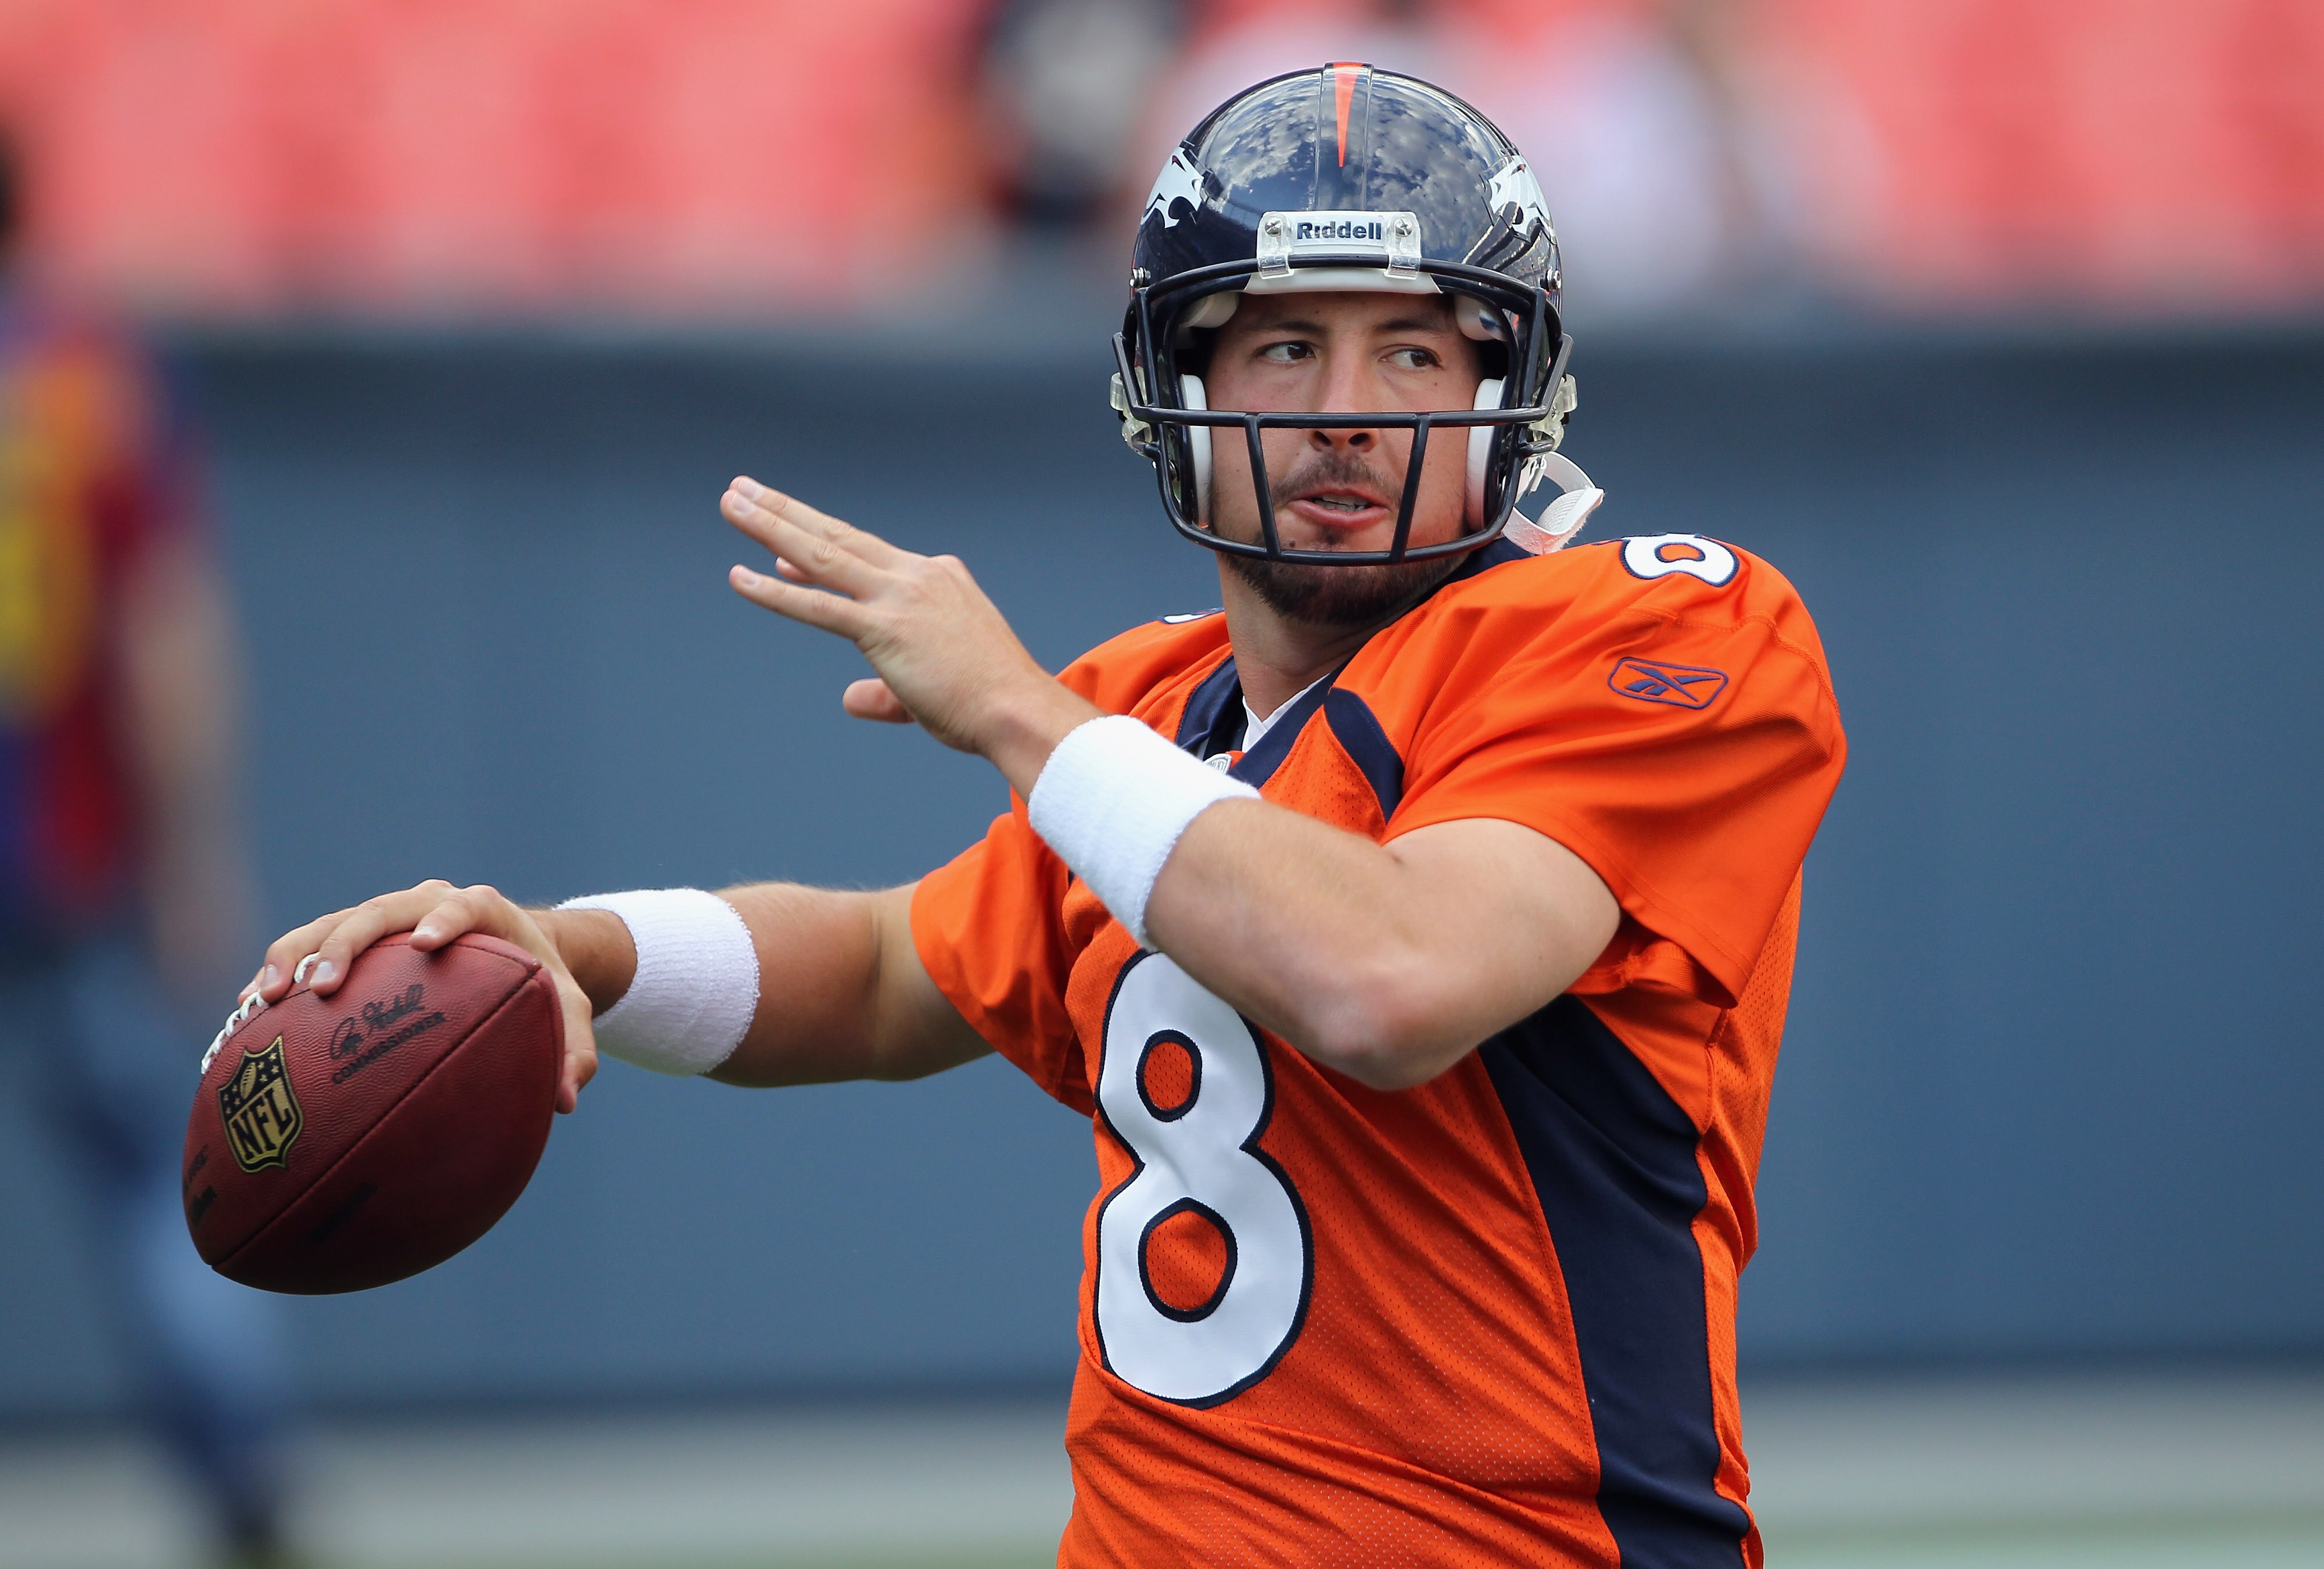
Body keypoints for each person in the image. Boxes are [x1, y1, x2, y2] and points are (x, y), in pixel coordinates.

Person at [246, 65, 1844, 1565]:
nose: (1348, 408)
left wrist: (1023, 712)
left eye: (1415, 350)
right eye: (1285, 346)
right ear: (1178, 390)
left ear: (1512, 395)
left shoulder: (1661, 628)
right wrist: (565, 951)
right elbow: (885, 968)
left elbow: (1393, 978)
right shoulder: (1154, 719)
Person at [0, 135, 297, 1566]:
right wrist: (191, 852)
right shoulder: (90, 371)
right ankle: (241, 1470)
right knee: (149, 1191)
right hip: (64, 856)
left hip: (55, 851)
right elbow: (167, 630)